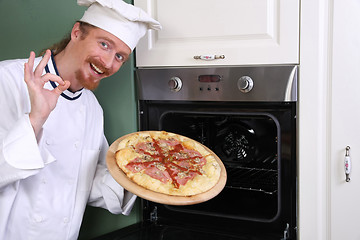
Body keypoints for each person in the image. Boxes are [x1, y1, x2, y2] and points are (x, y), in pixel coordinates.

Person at [0, 0, 161, 239]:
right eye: (104, 44)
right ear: (77, 33)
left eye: (119, 56)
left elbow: (79, 180)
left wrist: (145, 174)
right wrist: (36, 119)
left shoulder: (91, 107)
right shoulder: (7, 80)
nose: (108, 63)